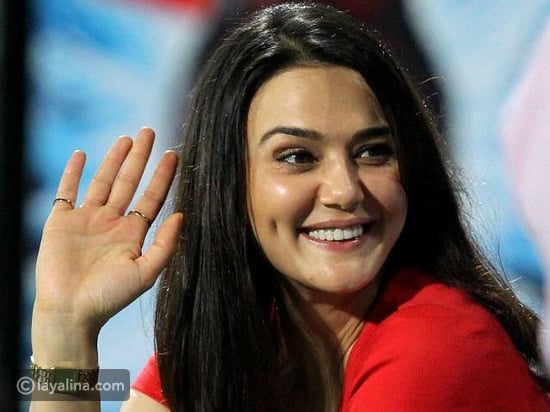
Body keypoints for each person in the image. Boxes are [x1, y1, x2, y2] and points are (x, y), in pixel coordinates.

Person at [30, 2, 550, 411]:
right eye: (298, 157)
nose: (344, 190)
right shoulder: (246, 331)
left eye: (372, 151)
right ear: (229, 182)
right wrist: (65, 332)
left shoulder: (440, 348)